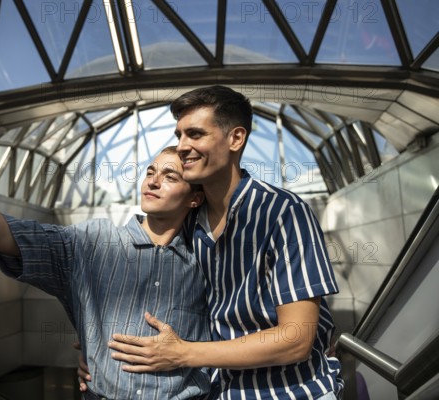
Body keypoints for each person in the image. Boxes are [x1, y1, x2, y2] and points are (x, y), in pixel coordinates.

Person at [0, 137, 211, 400]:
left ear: (196, 198)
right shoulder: (94, 241)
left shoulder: (209, 260)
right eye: (149, 172)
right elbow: (11, 235)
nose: (152, 182)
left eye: (170, 177)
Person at [106, 86, 343, 399]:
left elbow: (295, 339)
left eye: (195, 134)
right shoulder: (189, 220)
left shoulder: (283, 211)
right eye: (179, 136)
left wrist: (183, 353)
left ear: (235, 139)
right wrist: (99, 352)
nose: (182, 147)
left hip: (294, 391)